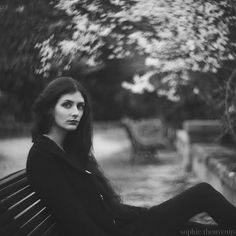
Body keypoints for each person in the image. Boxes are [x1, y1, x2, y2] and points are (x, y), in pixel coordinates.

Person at [26, 76, 236, 236]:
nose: (76, 113)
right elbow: (77, 222)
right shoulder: (43, 157)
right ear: (48, 109)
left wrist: (146, 214)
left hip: (124, 225)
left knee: (197, 230)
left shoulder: (71, 149)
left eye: (80, 106)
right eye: (67, 105)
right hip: (120, 232)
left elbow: (105, 207)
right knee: (202, 193)